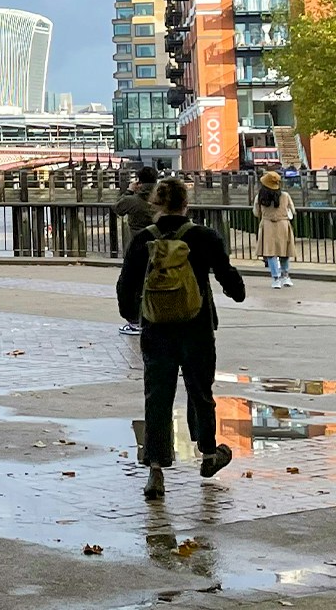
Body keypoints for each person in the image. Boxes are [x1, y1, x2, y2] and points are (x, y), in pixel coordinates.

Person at [117, 177, 246, 500]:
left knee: (157, 395)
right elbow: (228, 276)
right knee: (200, 391)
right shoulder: (203, 236)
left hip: (157, 327)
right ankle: (207, 453)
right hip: (197, 325)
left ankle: (156, 469)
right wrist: (236, 291)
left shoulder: (144, 240)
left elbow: (125, 285)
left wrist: (134, 315)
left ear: (156, 204)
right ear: (186, 203)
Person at [113, 167, 160, 335]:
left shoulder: (133, 201)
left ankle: (135, 321)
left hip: (137, 248)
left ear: (139, 182)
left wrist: (128, 191)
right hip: (161, 248)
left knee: (131, 285)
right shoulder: (161, 200)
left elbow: (118, 207)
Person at [253, 171, 295, 289]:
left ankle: (276, 278)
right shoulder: (285, 196)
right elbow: (292, 210)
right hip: (283, 224)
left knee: (270, 252)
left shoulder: (260, 197)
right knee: (284, 251)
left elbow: (256, 213)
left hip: (267, 225)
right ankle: (286, 276)